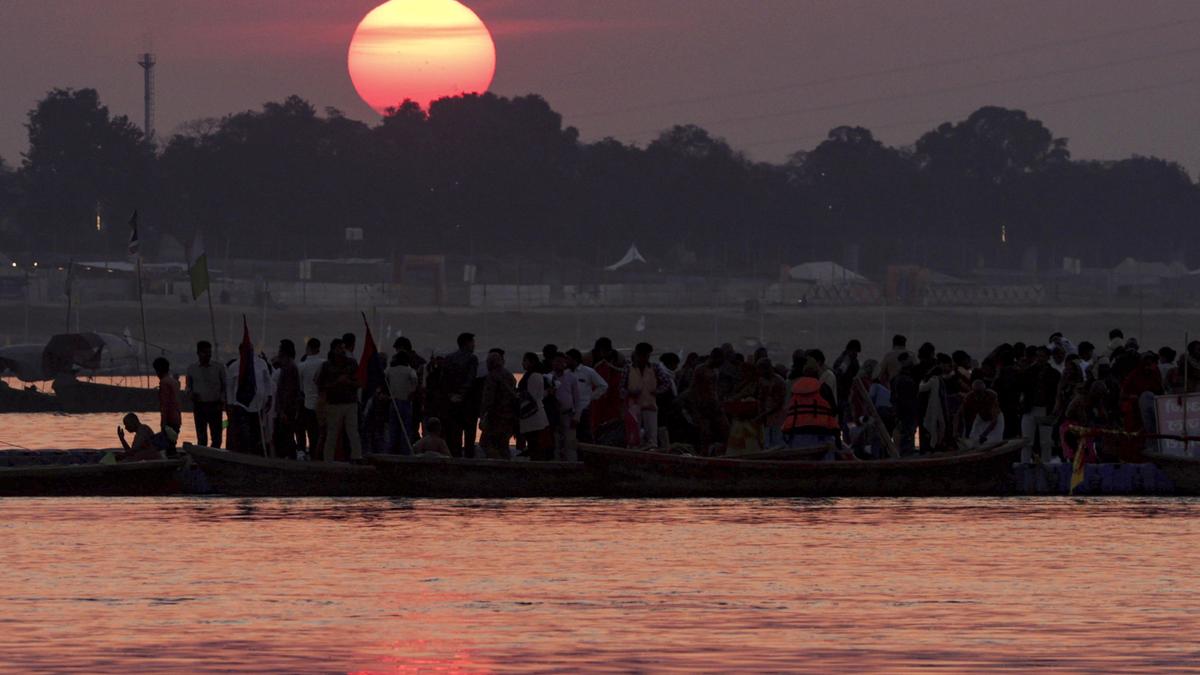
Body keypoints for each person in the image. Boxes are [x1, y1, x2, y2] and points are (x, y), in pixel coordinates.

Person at [621, 342, 674, 448]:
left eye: (646, 356)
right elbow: (621, 387)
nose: (644, 358)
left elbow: (667, 382)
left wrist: (657, 391)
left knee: (651, 439)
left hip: (650, 406)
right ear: (636, 354)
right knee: (634, 438)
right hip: (633, 408)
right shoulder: (628, 368)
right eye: (642, 355)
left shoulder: (655, 368)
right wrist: (629, 393)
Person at [317, 338, 362, 462]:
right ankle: (328, 460)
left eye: (343, 348)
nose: (342, 351)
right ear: (333, 350)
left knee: (353, 432)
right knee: (332, 434)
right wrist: (337, 383)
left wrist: (348, 382)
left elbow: (359, 382)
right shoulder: (326, 366)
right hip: (334, 404)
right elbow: (321, 386)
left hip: (350, 402)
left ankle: (357, 458)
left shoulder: (352, 363)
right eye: (339, 348)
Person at [225, 341, 273, 455]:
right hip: (240, 405)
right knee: (243, 433)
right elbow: (230, 387)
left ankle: (256, 455)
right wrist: (230, 404)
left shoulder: (261, 364)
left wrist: (269, 397)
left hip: (258, 404)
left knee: (257, 433)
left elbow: (268, 382)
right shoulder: (235, 366)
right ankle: (242, 454)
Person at [780, 365, 840, 453]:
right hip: (821, 432)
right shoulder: (824, 388)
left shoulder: (795, 391)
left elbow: (790, 410)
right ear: (817, 375)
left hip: (796, 432)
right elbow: (833, 410)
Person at [442, 332, 480, 458]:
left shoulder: (448, 358)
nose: (474, 345)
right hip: (468, 403)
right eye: (472, 342)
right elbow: (471, 379)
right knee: (469, 437)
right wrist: (462, 394)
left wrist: (451, 395)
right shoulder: (472, 358)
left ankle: (455, 460)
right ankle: (469, 462)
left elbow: (444, 380)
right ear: (467, 343)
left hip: (451, 402)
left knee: (454, 436)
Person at [1019, 346, 1060, 462]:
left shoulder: (1054, 374)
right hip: (1030, 408)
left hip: (1045, 409)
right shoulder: (1029, 372)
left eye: (1042, 356)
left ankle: (1046, 463)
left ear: (1047, 358)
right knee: (1026, 440)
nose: (1040, 359)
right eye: (1038, 356)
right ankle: (1025, 463)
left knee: (1046, 441)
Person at [186, 341, 226, 448]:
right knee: (201, 438)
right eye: (205, 352)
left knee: (217, 438)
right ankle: (203, 457)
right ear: (198, 353)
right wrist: (191, 395)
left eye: (209, 352)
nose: (208, 355)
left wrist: (222, 401)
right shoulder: (192, 369)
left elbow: (225, 386)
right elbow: (188, 387)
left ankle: (214, 457)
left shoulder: (218, 368)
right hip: (199, 406)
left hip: (215, 406)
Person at [479, 350, 518, 459]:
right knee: (503, 443)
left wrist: (483, 416)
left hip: (495, 417)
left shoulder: (492, 377)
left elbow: (488, 399)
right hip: (509, 416)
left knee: (485, 443)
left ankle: (497, 464)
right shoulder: (510, 376)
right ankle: (506, 464)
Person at [565, 348, 608, 444]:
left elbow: (603, 386)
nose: (566, 361)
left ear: (574, 359)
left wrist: (591, 397)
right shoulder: (566, 373)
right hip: (569, 410)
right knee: (571, 437)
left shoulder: (588, 371)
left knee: (585, 436)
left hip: (584, 410)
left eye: (568, 359)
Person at [384, 350, 418, 454]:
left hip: (393, 401)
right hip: (406, 401)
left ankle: (391, 451)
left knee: (393, 429)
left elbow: (383, 379)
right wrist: (412, 391)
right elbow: (415, 380)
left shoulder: (389, 370)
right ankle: (405, 451)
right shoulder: (410, 370)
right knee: (406, 429)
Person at [518, 353, 552, 461]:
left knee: (534, 443)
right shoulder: (534, 375)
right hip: (533, 415)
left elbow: (532, 396)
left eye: (525, 360)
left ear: (531, 362)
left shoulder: (533, 376)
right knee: (534, 443)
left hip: (533, 415)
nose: (523, 363)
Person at [271, 339, 301, 460]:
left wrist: (282, 410)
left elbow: (288, 391)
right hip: (288, 407)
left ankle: (288, 458)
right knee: (286, 434)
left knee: (285, 434)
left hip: (287, 408)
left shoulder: (289, 367)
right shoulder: (289, 365)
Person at [551, 354, 582, 461]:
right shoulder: (548, 377)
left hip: (568, 414)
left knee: (570, 443)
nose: (558, 364)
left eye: (561, 362)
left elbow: (577, 399)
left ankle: (572, 465)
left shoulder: (571, 378)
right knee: (555, 443)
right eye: (556, 361)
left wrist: (577, 417)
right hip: (553, 416)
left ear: (565, 364)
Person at [297, 338, 324, 456]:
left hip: (307, 404)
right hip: (323, 404)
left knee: (307, 431)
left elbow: (300, 387)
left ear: (308, 348)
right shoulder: (324, 363)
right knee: (320, 434)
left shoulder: (302, 366)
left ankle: (306, 454)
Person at [956, 379, 1004, 447]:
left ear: (984, 391)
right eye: (976, 392)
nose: (978, 396)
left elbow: (994, 420)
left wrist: (984, 434)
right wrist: (956, 431)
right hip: (981, 418)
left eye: (980, 393)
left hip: (995, 419)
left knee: (993, 442)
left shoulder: (991, 396)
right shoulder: (969, 397)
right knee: (973, 440)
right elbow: (959, 414)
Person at [754, 358, 788, 448]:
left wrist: (762, 415)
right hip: (767, 418)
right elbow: (760, 398)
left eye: (760, 369)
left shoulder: (779, 381)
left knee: (777, 444)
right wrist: (761, 413)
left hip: (778, 418)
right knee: (766, 444)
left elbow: (779, 404)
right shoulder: (762, 380)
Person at [153, 357, 182, 453]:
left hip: (169, 419)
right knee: (171, 443)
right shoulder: (174, 382)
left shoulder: (164, 382)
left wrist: (163, 423)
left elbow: (165, 404)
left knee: (167, 445)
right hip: (177, 417)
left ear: (158, 370)